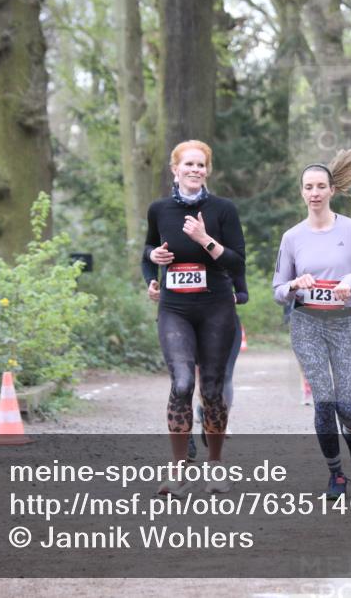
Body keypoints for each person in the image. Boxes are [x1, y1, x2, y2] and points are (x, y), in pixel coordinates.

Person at [272, 149, 351, 499]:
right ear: (302, 192)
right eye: (308, 187)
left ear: (332, 190)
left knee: (346, 406)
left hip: (347, 323)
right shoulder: (292, 237)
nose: (314, 192)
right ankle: (336, 474)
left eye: (321, 186)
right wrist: (293, 286)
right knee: (324, 402)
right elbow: (277, 289)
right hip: (307, 325)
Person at [142, 140, 245, 495]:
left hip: (216, 307)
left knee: (213, 390)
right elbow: (148, 251)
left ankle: (215, 466)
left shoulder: (223, 209)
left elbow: (236, 260)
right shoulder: (159, 210)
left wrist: (205, 239)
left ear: (207, 171)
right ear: (175, 169)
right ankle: (178, 471)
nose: (195, 170)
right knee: (182, 383)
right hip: (174, 309)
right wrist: (151, 270)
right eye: (188, 164)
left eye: (201, 165)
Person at [148, 271, 247, 459]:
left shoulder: (224, 253)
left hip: (221, 322)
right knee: (184, 380)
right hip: (182, 321)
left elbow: (243, 294)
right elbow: (152, 260)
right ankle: (187, 440)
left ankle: (211, 418)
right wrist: (152, 283)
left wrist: (228, 297)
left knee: (222, 377)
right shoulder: (175, 249)